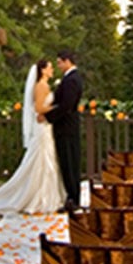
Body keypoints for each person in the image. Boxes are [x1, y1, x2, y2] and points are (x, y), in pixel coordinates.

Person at [0, 59, 66, 215]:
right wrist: (57, 108)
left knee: (47, 160)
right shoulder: (41, 86)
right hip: (43, 128)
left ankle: (45, 193)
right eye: (50, 67)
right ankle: (39, 196)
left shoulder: (44, 85)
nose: (53, 70)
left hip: (46, 127)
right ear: (43, 70)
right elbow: (39, 108)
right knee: (42, 159)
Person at [44, 49, 83, 206]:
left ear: (68, 61)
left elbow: (66, 106)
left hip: (66, 128)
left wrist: (48, 117)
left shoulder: (71, 80)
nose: (58, 66)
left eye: (59, 62)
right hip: (66, 127)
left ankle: (73, 198)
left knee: (69, 162)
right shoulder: (70, 78)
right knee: (68, 162)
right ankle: (72, 195)